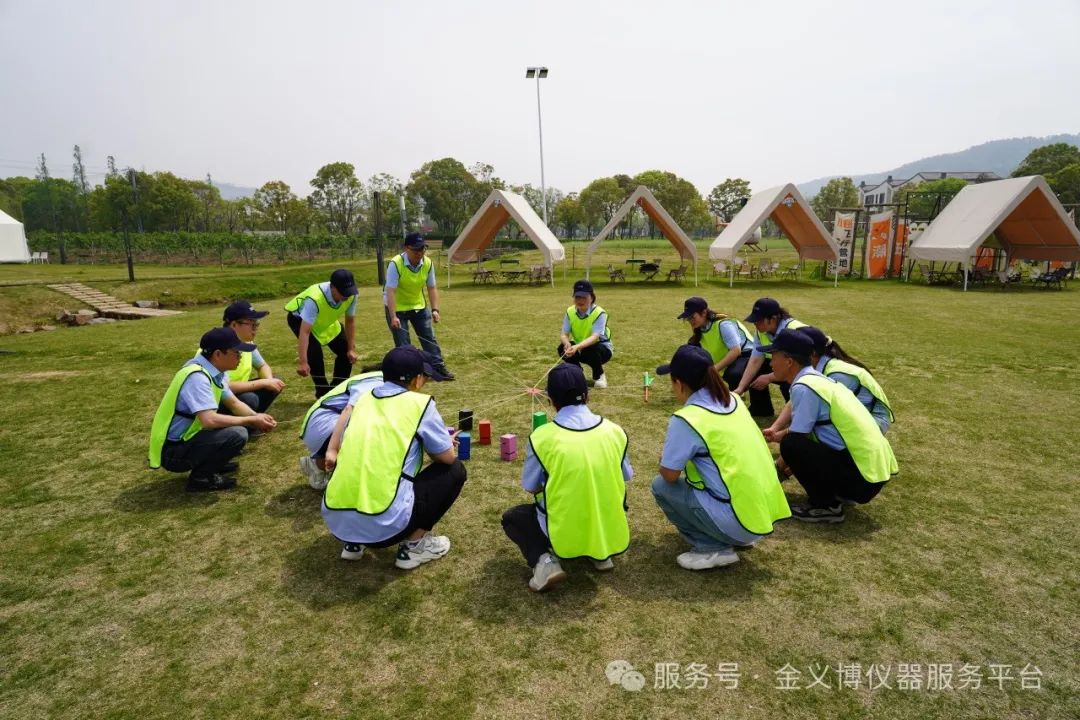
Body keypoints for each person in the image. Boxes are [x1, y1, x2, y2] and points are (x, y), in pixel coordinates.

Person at [321, 346, 466, 569]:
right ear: (417, 379)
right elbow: (447, 458)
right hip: (386, 526)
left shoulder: (363, 401)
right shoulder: (420, 404)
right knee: (455, 471)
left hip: (337, 523)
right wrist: (445, 443)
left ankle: (353, 544)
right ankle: (414, 548)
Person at [652, 345, 791, 569]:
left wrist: (667, 457)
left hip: (736, 520)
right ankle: (736, 536)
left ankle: (711, 547)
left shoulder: (687, 419)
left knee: (660, 486)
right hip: (760, 515)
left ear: (679, 383)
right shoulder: (734, 400)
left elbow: (669, 475)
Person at [501, 363, 632, 592]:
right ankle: (601, 554)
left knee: (514, 517)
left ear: (550, 400)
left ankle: (545, 563)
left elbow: (531, 486)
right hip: (608, 524)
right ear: (587, 395)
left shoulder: (542, 437)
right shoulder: (614, 431)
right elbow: (626, 475)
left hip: (564, 528)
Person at [760, 330, 898, 523]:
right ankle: (835, 494)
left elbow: (797, 437)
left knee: (792, 444)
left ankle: (826, 506)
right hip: (874, 474)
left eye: (773, 357)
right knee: (794, 441)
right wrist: (778, 433)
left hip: (863, 480)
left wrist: (773, 474)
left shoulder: (805, 386)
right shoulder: (818, 380)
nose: (770, 363)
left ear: (789, 361)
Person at [148, 327, 278, 491]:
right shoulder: (197, 377)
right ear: (218, 354)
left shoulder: (214, 372)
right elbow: (209, 421)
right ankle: (201, 478)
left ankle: (212, 464)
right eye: (236, 352)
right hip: (173, 452)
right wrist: (250, 420)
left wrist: (257, 417)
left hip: (186, 439)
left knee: (237, 428)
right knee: (237, 434)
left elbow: (234, 404)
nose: (240, 356)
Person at [765, 326, 893, 442]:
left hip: (873, 421)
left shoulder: (835, 374)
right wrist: (774, 428)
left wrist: (784, 437)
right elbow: (793, 402)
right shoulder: (814, 374)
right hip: (861, 420)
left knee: (808, 429)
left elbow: (803, 426)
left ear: (812, 353)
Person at [297, 366, 384, 490]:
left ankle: (317, 463)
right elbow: (349, 409)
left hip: (323, 424)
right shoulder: (376, 381)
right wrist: (332, 449)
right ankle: (318, 465)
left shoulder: (377, 379)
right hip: (324, 424)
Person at [384, 232, 454, 380]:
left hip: (419, 306)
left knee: (429, 338)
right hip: (397, 309)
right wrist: (393, 316)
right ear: (406, 248)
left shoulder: (427, 263)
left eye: (422, 249)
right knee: (403, 344)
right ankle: (408, 373)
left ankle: (438, 368)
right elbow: (390, 292)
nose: (419, 253)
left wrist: (435, 310)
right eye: (415, 249)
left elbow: (432, 288)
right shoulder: (395, 264)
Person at [285, 268, 360, 398]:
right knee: (315, 356)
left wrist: (351, 349)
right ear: (332, 287)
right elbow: (305, 332)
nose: (346, 296)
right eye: (343, 292)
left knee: (345, 351)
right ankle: (322, 392)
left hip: (325, 320)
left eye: (348, 292)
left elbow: (350, 321)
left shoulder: (351, 295)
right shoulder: (314, 299)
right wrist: (303, 362)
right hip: (300, 320)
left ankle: (337, 389)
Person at [731, 297, 809, 416]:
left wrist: (769, 377)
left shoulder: (794, 330)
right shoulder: (760, 333)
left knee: (788, 383)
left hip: (802, 370)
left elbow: (799, 366)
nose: (755, 324)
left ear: (773, 319)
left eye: (759, 321)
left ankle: (796, 413)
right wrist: (740, 388)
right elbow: (755, 360)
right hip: (787, 366)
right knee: (753, 368)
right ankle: (761, 409)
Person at [677, 296, 760, 397]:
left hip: (746, 355)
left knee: (732, 374)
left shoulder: (724, 324)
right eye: (688, 318)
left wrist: (713, 371)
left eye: (692, 317)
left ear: (704, 313)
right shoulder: (699, 328)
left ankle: (738, 391)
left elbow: (736, 351)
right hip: (730, 356)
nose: (690, 321)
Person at [220, 300, 285, 413]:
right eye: (252, 324)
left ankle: (254, 418)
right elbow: (223, 387)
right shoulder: (219, 347)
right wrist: (263, 383)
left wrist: (269, 381)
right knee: (249, 399)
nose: (255, 328)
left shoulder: (247, 343)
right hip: (220, 398)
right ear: (234, 325)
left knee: (276, 380)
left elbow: (262, 366)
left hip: (237, 391)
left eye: (256, 324)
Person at [559, 279, 613, 388]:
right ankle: (578, 374)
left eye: (584, 297)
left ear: (592, 297)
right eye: (577, 297)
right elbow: (564, 334)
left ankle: (599, 376)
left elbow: (595, 337)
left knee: (589, 350)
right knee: (562, 349)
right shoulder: (570, 311)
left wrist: (577, 347)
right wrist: (567, 343)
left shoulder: (599, 313)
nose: (580, 300)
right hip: (580, 347)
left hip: (601, 349)